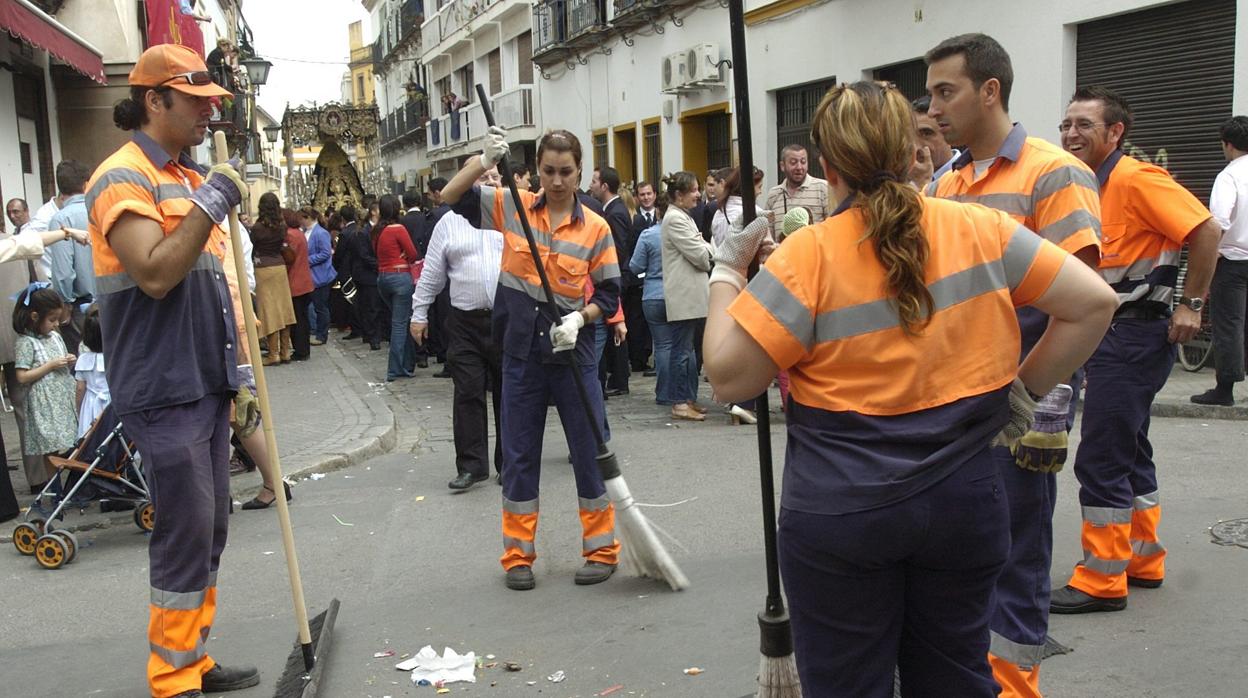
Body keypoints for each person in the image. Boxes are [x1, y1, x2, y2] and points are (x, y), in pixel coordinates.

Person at [702, 80, 1117, 697]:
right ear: (911, 150)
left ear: (827, 165)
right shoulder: (981, 228)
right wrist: (1020, 394)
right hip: (965, 504)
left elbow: (729, 376)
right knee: (954, 678)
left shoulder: (807, 256)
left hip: (842, 515)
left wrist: (727, 273)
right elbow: (1094, 303)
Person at [924, 33, 1103, 697]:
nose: (935, 107)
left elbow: (1081, 298)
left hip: (1021, 396)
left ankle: (1014, 687)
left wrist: (1039, 397)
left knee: (1014, 550)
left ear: (990, 90)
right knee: (964, 549)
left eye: (948, 91)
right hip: (956, 395)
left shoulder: (1052, 173)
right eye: (932, 92)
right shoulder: (947, 181)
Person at [85, 43, 259, 696]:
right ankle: (173, 677)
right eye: (198, 102)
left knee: (209, 529)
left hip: (206, 381)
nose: (210, 115)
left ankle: (193, 656)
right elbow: (156, 273)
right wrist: (213, 201)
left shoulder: (185, 180)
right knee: (184, 533)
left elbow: (216, 288)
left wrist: (238, 376)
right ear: (154, 100)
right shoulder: (120, 178)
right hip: (163, 387)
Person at [1048, 87, 1221, 614]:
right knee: (1131, 447)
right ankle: (1142, 559)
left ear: (1115, 132)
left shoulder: (1137, 178)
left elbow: (1207, 230)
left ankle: (1101, 580)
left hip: (1134, 335)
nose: (1071, 134)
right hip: (1110, 336)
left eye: (1084, 125)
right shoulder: (1086, 185)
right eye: (1066, 124)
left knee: (1101, 454)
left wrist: (1192, 304)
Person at [442, 126, 621, 591]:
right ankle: (518, 556)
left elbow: (609, 292)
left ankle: (601, 549)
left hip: (572, 349)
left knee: (589, 450)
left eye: (566, 172)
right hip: (520, 351)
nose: (557, 181)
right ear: (537, 170)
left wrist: (582, 318)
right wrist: (482, 161)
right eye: (548, 171)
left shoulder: (597, 228)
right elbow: (448, 195)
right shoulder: (511, 207)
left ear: (580, 170)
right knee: (520, 455)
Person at [410, 166, 505, 490]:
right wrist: (418, 313)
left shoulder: (514, 218)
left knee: (510, 394)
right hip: (464, 321)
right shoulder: (449, 222)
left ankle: (509, 463)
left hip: (506, 320)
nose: (490, 182)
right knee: (467, 392)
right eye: (482, 177)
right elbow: (432, 272)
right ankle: (471, 465)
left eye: (495, 177)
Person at [1192, 116, 1248, 407]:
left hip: (1233, 262)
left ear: (1227, 144)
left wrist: (1206, 268)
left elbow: (1219, 224)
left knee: (1229, 323)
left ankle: (1224, 390)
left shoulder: (1229, 176)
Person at [12, 284, 77, 492]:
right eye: (52, 320)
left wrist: (69, 360)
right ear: (34, 316)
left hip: (61, 398)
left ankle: (66, 486)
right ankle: (55, 488)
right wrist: (49, 366)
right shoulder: (26, 342)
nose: (56, 324)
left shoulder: (55, 337)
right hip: (44, 403)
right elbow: (21, 376)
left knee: (67, 442)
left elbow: (60, 358)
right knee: (50, 448)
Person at [660, 172, 713, 422]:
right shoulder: (675, 219)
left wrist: (706, 249)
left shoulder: (683, 216)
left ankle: (687, 398)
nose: (697, 194)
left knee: (688, 350)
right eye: (693, 190)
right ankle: (679, 402)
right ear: (679, 195)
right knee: (681, 351)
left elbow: (703, 247)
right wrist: (707, 251)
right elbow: (702, 255)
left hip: (691, 295)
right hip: (684, 296)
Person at [590, 166, 633, 396]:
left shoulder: (615, 212)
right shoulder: (612, 209)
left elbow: (616, 250)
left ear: (605, 186)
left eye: (595, 181)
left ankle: (618, 379)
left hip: (614, 279)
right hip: (613, 278)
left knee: (614, 332)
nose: (591, 185)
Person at [45, 160, 97, 352]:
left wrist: (63, 306)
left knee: (82, 366)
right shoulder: (99, 209)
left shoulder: (61, 219)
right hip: (109, 300)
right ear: (86, 183)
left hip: (80, 308)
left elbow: (64, 271)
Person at [629, 193, 673, 406]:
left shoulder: (648, 235)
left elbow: (635, 266)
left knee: (662, 346)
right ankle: (685, 392)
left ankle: (664, 393)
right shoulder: (685, 231)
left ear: (657, 211)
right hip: (678, 294)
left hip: (653, 294)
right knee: (685, 347)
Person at [373, 194, 420, 380]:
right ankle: (394, 369)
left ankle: (408, 363)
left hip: (383, 277)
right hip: (400, 277)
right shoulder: (398, 229)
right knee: (400, 324)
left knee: (401, 319)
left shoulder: (377, 231)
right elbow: (413, 253)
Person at [249, 193, 296, 365]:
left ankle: (273, 353)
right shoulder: (282, 226)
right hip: (280, 267)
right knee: (284, 308)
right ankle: (285, 352)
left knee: (269, 311)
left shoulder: (258, 228)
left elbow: (252, 247)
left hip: (263, 268)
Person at [765, 145, 829, 241]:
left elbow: (832, 227)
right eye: (793, 163)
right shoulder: (773, 194)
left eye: (803, 162)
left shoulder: (823, 188)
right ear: (782, 166)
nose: (799, 167)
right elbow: (768, 235)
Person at [300, 207, 336, 346]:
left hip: (321, 275)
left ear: (308, 218)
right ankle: (313, 330)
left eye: (302, 218)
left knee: (320, 306)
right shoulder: (305, 232)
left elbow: (325, 253)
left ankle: (322, 334)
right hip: (310, 276)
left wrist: (307, 260)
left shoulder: (320, 233)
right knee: (311, 305)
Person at [73, 307, 109, 438]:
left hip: (91, 404)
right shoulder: (114, 358)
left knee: (89, 436)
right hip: (112, 403)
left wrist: (79, 409)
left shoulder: (83, 359)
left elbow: (80, 388)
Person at [910, 95, 961, 185]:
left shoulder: (971, 174)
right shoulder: (903, 181)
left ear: (949, 133)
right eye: (909, 135)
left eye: (926, 133)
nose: (915, 145)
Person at [283, 208, 312, 361]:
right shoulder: (299, 233)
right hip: (304, 281)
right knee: (302, 317)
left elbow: (289, 258)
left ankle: (301, 350)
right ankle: (303, 348)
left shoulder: (290, 236)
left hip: (295, 282)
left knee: (298, 319)